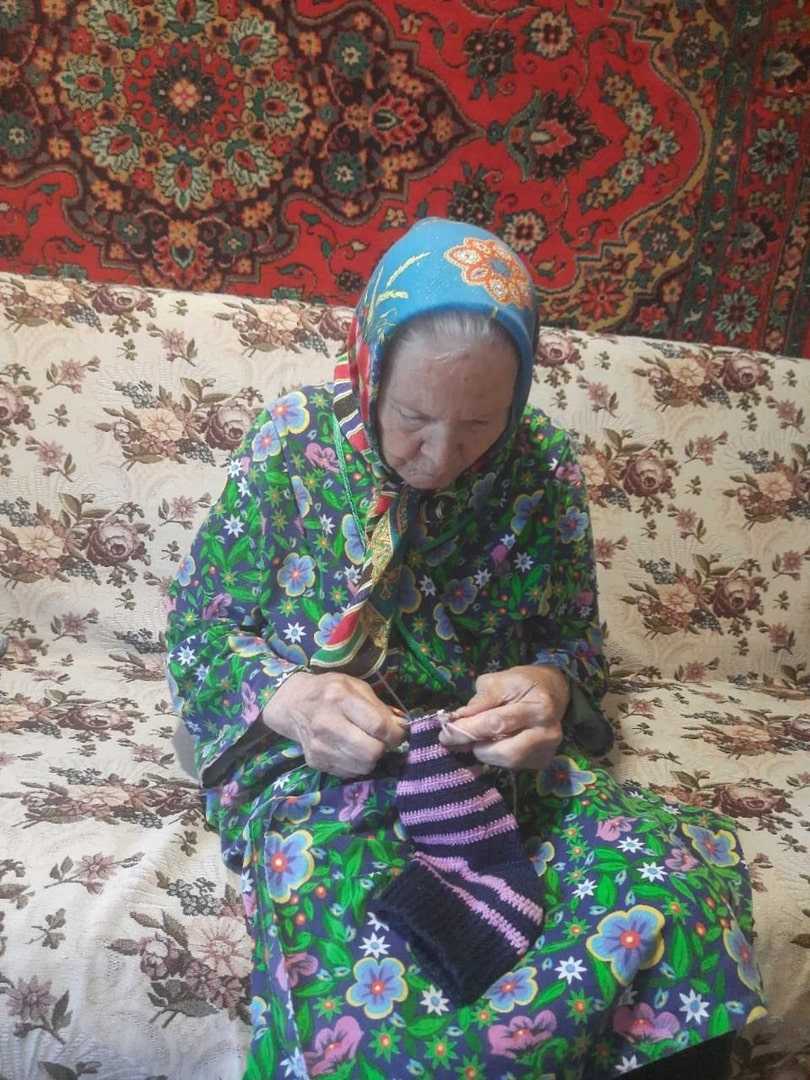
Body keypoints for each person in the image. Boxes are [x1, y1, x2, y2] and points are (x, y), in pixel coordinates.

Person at [166, 218, 765, 1079]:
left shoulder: (542, 465)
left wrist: (547, 689)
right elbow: (199, 628)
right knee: (385, 965)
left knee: (676, 889)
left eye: (480, 423)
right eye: (413, 417)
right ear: (370, 368)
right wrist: (292, 698)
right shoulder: (293, 443)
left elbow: (572, 644)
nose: (441, 455)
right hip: (321, 763)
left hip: (485, 764)